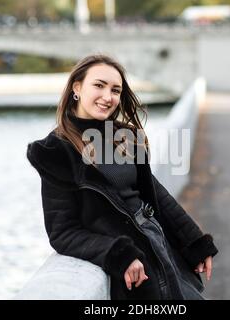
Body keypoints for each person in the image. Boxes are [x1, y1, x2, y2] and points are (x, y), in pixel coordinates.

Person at [26, 54, 218, 300]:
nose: (108, 97)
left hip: (160, 246)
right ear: (77, 87)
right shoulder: (55, 152)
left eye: (115, 90)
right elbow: (62, 232)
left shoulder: (125, 136)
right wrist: (118, 255)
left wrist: (193, 240)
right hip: (132, 260)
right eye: (99, 85)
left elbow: (154, 193)